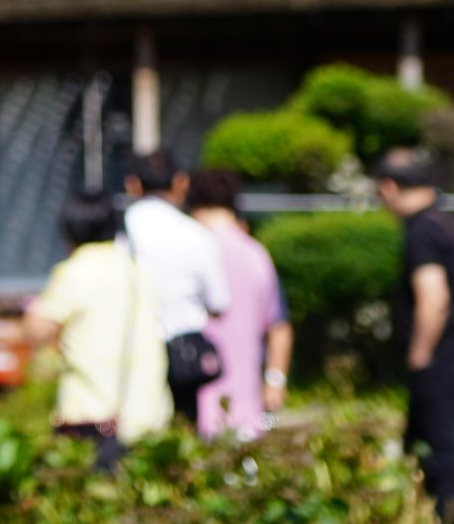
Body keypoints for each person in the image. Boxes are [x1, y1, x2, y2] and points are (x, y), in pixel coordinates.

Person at [378, 148, 454, 524]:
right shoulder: (444, 221)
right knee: (425, 444)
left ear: (389, 187)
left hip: (439, 358)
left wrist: (419, 353)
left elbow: (433, 297)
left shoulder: (422, 230)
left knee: (436, 451)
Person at [24, 190, 170, 467]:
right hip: (149, 415)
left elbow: (37, 330)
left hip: (93, 419)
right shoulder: (138, 269)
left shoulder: (76, 270)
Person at [120, 150, 232, 426]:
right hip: (185, 355)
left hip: (133, 348)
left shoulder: (121, 230)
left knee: (136, 430)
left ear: (133, 185)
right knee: (182, 431)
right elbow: (219, 302)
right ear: (180, 183)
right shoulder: (197, 234)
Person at [184, 169, 292, 440]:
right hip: (247, 409)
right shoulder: (257, 254)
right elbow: (279, 325)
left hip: (194, 406)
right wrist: (275, 381)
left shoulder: (189, 251)